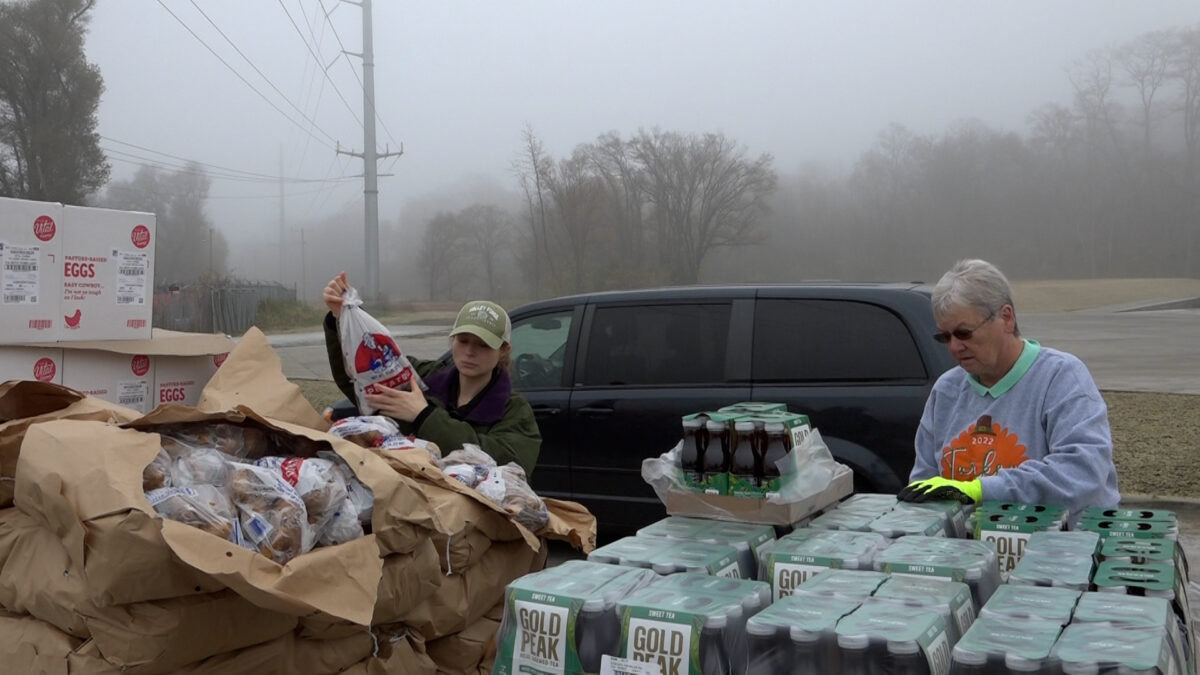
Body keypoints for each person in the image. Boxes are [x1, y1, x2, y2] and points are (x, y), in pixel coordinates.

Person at [898, 259, 1119, 517]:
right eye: (945, 337)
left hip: (1061, 550)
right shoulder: (946, 390)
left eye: (964, 333)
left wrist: (982, 490)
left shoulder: (1061, 377)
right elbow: (926, 486)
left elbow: (1082, 472)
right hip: (971, 552)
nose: (954, 347)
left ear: (1006, 318)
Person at [322, 272, 541, 475]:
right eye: (463, 341)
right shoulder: (422, 378)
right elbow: (359, 378)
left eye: (484, 345)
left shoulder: (515, 411)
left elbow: (507, 463)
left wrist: (425, 416)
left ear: (504, 350)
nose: (470, 352)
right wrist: (342, 317)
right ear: (452, 340)